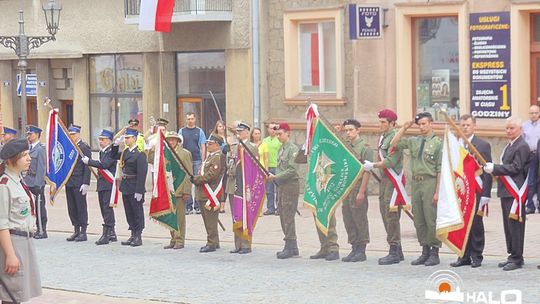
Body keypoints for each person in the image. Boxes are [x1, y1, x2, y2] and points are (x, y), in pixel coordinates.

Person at [390, 112, 442, 266]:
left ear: (431, 124)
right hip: (416, 183)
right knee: (419, 219)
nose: (421, 127)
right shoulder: (414, 141)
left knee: (430, 218)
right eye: (419, 124)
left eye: (424, 124)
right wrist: (404, 127)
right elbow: (394, 143)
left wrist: (438, 191)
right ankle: (424, 250)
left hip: (430, 182)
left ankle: (435, 251)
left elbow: (440, 169)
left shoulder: (438, 143)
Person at [483, 117, 529, 271]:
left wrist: (495, 168)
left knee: (515, 227)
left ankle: (517, 258)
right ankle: (513, 255)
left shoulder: (522, 146)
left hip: (515, 192)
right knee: (508, 226)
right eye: (507, 128)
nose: (509, 131)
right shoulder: (510, 145)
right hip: (506, 191)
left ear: (520, 129)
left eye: (512, 128)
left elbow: (516, 167)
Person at [0, 138, 42, 303]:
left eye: (28, 154)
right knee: (12, 294)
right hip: (13, 243)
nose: (29, 158)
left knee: (20, 293)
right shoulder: (4, 185)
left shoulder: (18, 181)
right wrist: (10, 255)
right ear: (11, 160)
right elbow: (2, 224)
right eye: (24, 155)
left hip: (25, 241)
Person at [363, 109, 407, 265]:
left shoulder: (395, 138)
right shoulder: (383, 137)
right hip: (384, 180)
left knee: (391, 215)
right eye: (379, 121)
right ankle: (398, 250)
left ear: (392, 123)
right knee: (384, 213)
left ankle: (394, 250)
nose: (380, 124)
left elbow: (390, 161)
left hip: (392, 182)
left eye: (383, 122)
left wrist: (373, 165)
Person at [449, 114, 492, 268]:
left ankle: (476, 256)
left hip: (477, 189)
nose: (465, 127)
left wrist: (486, 194)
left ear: (474, 126)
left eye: (467, 125)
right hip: (460, 190)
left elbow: (487, 170)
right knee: (461, 223)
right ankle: (463, 256)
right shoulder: (456, 145)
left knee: (475, 224)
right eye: (462, 125)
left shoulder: (482, 145)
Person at [333, 119, 372, 263]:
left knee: (359, 217)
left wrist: (361, 192)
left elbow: (367, 172)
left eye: (351, 130)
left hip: (358, 185)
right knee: (348, 217)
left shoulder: (365, 148)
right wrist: (336, 133)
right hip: (347, 186)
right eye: (346, 130)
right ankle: (354, 246)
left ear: (358, 130)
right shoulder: (346, 146)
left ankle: (361, 249)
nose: (348, 133)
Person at [267, 123, 300, 259]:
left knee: (288, 214)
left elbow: (292, 170)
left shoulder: (293, 149)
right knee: (282, 213)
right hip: (281, 185)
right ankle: (292, 245)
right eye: (277, 134)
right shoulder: (281, 148)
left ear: (288, 133)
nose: (278, 136)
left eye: (280, 134)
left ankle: (290, 245)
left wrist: (276, 176)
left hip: (290, 185)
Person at [111, 128, 148, 247]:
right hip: (126, 185)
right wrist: (115, 145)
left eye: (128, 138)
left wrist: (139, 190)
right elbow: (113, 156)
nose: (126, 140)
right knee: (129, 211)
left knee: (137, 211)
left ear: (135, 139)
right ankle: (132, 233)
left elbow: (142, 174)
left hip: (135, 185)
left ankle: (138, 235)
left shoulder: (140, 154)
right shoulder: (126, 152)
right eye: (125, 138)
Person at [82, 129, 118, 245]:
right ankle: (112, 232)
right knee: (104, 208)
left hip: (108, 184)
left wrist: (89, 162)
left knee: (107, 209)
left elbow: (105, 165)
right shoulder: (103, 152)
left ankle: (107, 234)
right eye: (100, 139)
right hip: (102, 184)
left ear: (109, 141)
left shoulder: (112, 151)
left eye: (103, 140)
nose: (100, 142)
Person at [228, 122, 258, 254]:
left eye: (240, 131)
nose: (238, 134)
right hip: (235, 184)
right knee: (236, 215)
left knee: (246, 214)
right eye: (237, 132)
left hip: (246, 186)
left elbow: (254, 168)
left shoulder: (251, 147)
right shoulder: (235, 147)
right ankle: (238, 244)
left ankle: (246, 244)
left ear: (247, 132)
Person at [191, 135, 225, 253]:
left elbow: (212, 175)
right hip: (204, 193)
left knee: (210, 221)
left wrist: (197, 180)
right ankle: (214, 241)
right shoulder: (210, 157)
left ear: (217, 145)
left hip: (210, 193)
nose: (208, 145)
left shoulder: (217, 157)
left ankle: (211, 243)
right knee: (208, 220)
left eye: (210, 144)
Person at [163, 131, 192, 250]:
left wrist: (187, 190)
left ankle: (180, 240)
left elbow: (188, 173)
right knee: (171, 216)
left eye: (173, 140)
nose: (171, 142)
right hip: (168, 188)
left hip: (179, 188)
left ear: (178, 141)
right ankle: (173, 238)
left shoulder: (185, 153)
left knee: (179, 217)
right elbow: (150, 158)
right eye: (169, 140)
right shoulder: (165, 153)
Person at [65, 125, 92, 242]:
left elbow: (88, 167)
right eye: (70, 134)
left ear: (79, 134)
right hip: (70, 181)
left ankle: (83, 231)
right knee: (72, 206)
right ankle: (76, 229)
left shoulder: (84, 147)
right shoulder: (69, 147)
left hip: (79, 181)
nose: (72, 136)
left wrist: (86, 182)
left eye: (74, 134)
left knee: (81, 206)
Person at [179, 112, 207, 215]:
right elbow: (179, 145)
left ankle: (197, 205)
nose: (190, 121)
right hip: (186, 161)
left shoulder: (199, 131)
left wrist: (203, 160)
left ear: (195, 119)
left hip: (197, 160)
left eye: (191, 119)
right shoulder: (181, 131)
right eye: (188, 119)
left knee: (197, 182)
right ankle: (188, 206)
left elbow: (203, 146)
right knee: (187, 183)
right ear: (186, 120)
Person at [24, 125, 48, 240]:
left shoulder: (40, 149)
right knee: (30, 207)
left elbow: (41, 168)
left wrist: (39, 183)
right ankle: (33, 228)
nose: (29, 136)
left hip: (36, 183)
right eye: (28, 134)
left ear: (37, 135)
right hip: (28, 181)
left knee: (39, 207)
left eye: (31, 134)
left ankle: (42, 229)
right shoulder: (28, 148)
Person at [523, 105, 540, 214]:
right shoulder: (524, 126)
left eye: (536, 113)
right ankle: (530, 206)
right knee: (530, 181)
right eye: (531, 113)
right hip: (529, 156)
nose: (534, 115)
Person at [262, 122, 281, 215]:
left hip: (277, 166)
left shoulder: (279, 139)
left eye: (274, 128)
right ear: (268, 130)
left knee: (278, 189)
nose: (273, 130)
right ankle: (270, 208)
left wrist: (278, 131)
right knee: (269, 190)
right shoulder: (265, 140)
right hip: (268, 167)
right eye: (271, 128)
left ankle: (278, 208)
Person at [211, 120, 228, 213]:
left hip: (225, 162)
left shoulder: (227, 138)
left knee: (224, 183)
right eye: (219, 126)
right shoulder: (213, 137)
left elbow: (230, 151)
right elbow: (211, 149)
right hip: (217, 161)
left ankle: (222, 205)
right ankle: (215, 202)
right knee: (216, 182)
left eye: (222, 126)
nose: (221, 128)